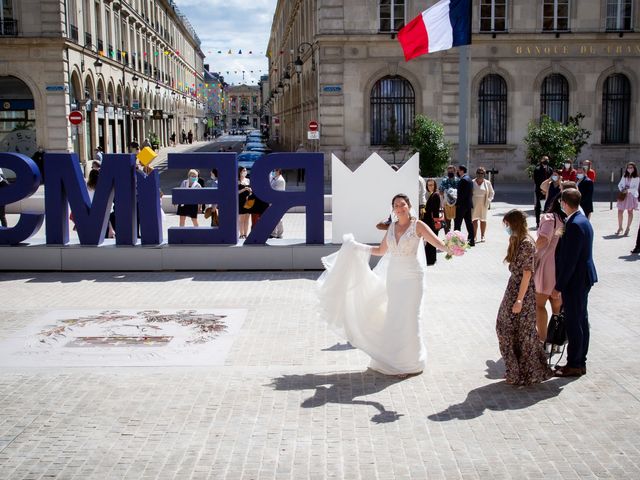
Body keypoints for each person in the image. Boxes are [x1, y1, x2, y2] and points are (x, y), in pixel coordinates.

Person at [317, 193, 449, 377]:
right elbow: (380, 251)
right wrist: (357, 247)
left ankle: (410, 363)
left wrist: (454, 248)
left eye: (403, 204)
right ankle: (395, 359)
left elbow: (437, 242)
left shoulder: (417, 225)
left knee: (410, 317)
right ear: (393, 209)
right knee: (395, 317)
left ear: (409, 206)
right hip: (394, 277)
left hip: (412, 277)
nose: (400, 208)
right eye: (396, 205)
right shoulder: (392, 227)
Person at [496, 209, 552, 385]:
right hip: (513, 288)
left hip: (522, 292)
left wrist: (519, 300)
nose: (507, 229)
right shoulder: (517, 240)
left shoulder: (527, 243)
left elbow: (527, 273)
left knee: (523, 333)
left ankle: (526, 372)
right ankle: (516, 370)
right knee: (508, 329)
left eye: (508, 225)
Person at [552, 189, 598, 377]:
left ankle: (575, 363)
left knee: (574, 322)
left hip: (576, 280)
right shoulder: (579, 220)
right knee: (581, 319)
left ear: (564, 203)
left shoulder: (575, 224)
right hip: (581, 277)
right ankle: (579, 360)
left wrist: (559, 286)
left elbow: (570, 259)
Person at [534, 194, 566, 342]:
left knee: (539, 304)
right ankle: (555, 340)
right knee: (556, 306)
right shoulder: (565, 220)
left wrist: (531, 250)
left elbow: (543, 239)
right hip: (559, 265)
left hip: (546, 264)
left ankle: (542, 339)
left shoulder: (549, 218)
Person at [471, 167, 495, 242]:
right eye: (478, 173)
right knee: (474, 220)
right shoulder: (472, 182)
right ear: (476, 173)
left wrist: (488, 200)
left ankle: (482, 235)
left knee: (483, 220)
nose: (480, 175)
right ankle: (474, 236)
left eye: (482, 173)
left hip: (484, 203)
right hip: (474, 203)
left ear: (484, 174)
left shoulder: (487, 183)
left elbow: (492, 193)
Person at [616, 162, 639, 236]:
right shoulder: (624, 176)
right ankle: (620, 227)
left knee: (630, 212)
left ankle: (628, 228)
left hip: (631, 196)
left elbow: (635, 188)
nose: (630, 169)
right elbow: (619, 184)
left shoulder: (637, 177)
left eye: (631, 167)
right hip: (623, 195)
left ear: (634, 168)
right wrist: (622, 189)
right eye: (628, 167)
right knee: (620, 211)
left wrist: (628, 190)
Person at [454, 165, 474, 246]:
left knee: (457, 223)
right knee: (469, 223)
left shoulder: (463, 180)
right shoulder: (469, 179)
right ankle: (471, 241)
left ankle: (456, 242)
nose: (457, 172)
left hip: (461, 206)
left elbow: (461, 195)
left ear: (462, 171)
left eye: (458, 171)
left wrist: (457, 204)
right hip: (468, 205)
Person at [423, 178, 442, 265]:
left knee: (431, 241)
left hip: (432, 222)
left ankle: (431, 260)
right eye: (429, 185)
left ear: (435, 186)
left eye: (432, 185)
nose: (430, 186)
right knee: (430, 241)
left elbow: (434, 210)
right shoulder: (432, 194)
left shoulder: (435, 195)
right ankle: (431, 259)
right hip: (431, 221)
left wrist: (435, 222)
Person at [533, 155, 552, 227]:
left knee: (547, 206)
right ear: (541, 160)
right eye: (544, 159)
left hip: (547, 191)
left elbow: (551, 180)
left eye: (547, 159)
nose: (546, 160)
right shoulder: (537, 169)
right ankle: (538, 222)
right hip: (539, 191)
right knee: (538, 206)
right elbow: (536, 181)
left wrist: (547, 190)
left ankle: (546, 222)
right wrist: (542, 190)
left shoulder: (550, 169)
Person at [439, 165, 458, 234]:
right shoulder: (444, 180)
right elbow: (440, 191)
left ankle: (456, 236)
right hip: (446, 204)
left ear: (455, 171)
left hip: (456, 204)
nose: (450, 172)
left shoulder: (458, 180)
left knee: (456, 221)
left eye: (451, 171)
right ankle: (448, 236)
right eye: (449, 171)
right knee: (447, 221)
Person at [270, 168, 286, 238]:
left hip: (278, 202)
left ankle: (280, 234)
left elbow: (278, 192)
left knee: (278, 218)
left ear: (279, 171)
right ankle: (273, 233)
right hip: (273, 201)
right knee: (273, 217)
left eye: (275, 170)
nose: (274, 172)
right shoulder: (274, 178)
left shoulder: (280, 180)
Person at [238, 167, 252, 239]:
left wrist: (250, 191)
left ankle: (246, 234)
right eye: (244, 170)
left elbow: (251, 191)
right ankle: (241, 234)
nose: (245, 172)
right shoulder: (237, 181)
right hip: (241, 201)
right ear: (240, 172)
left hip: (248, 201)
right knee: (241, 219)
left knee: (247, 218)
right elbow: (236, 192)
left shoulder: (248, 180)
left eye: (246, 170)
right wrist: (244, 189)